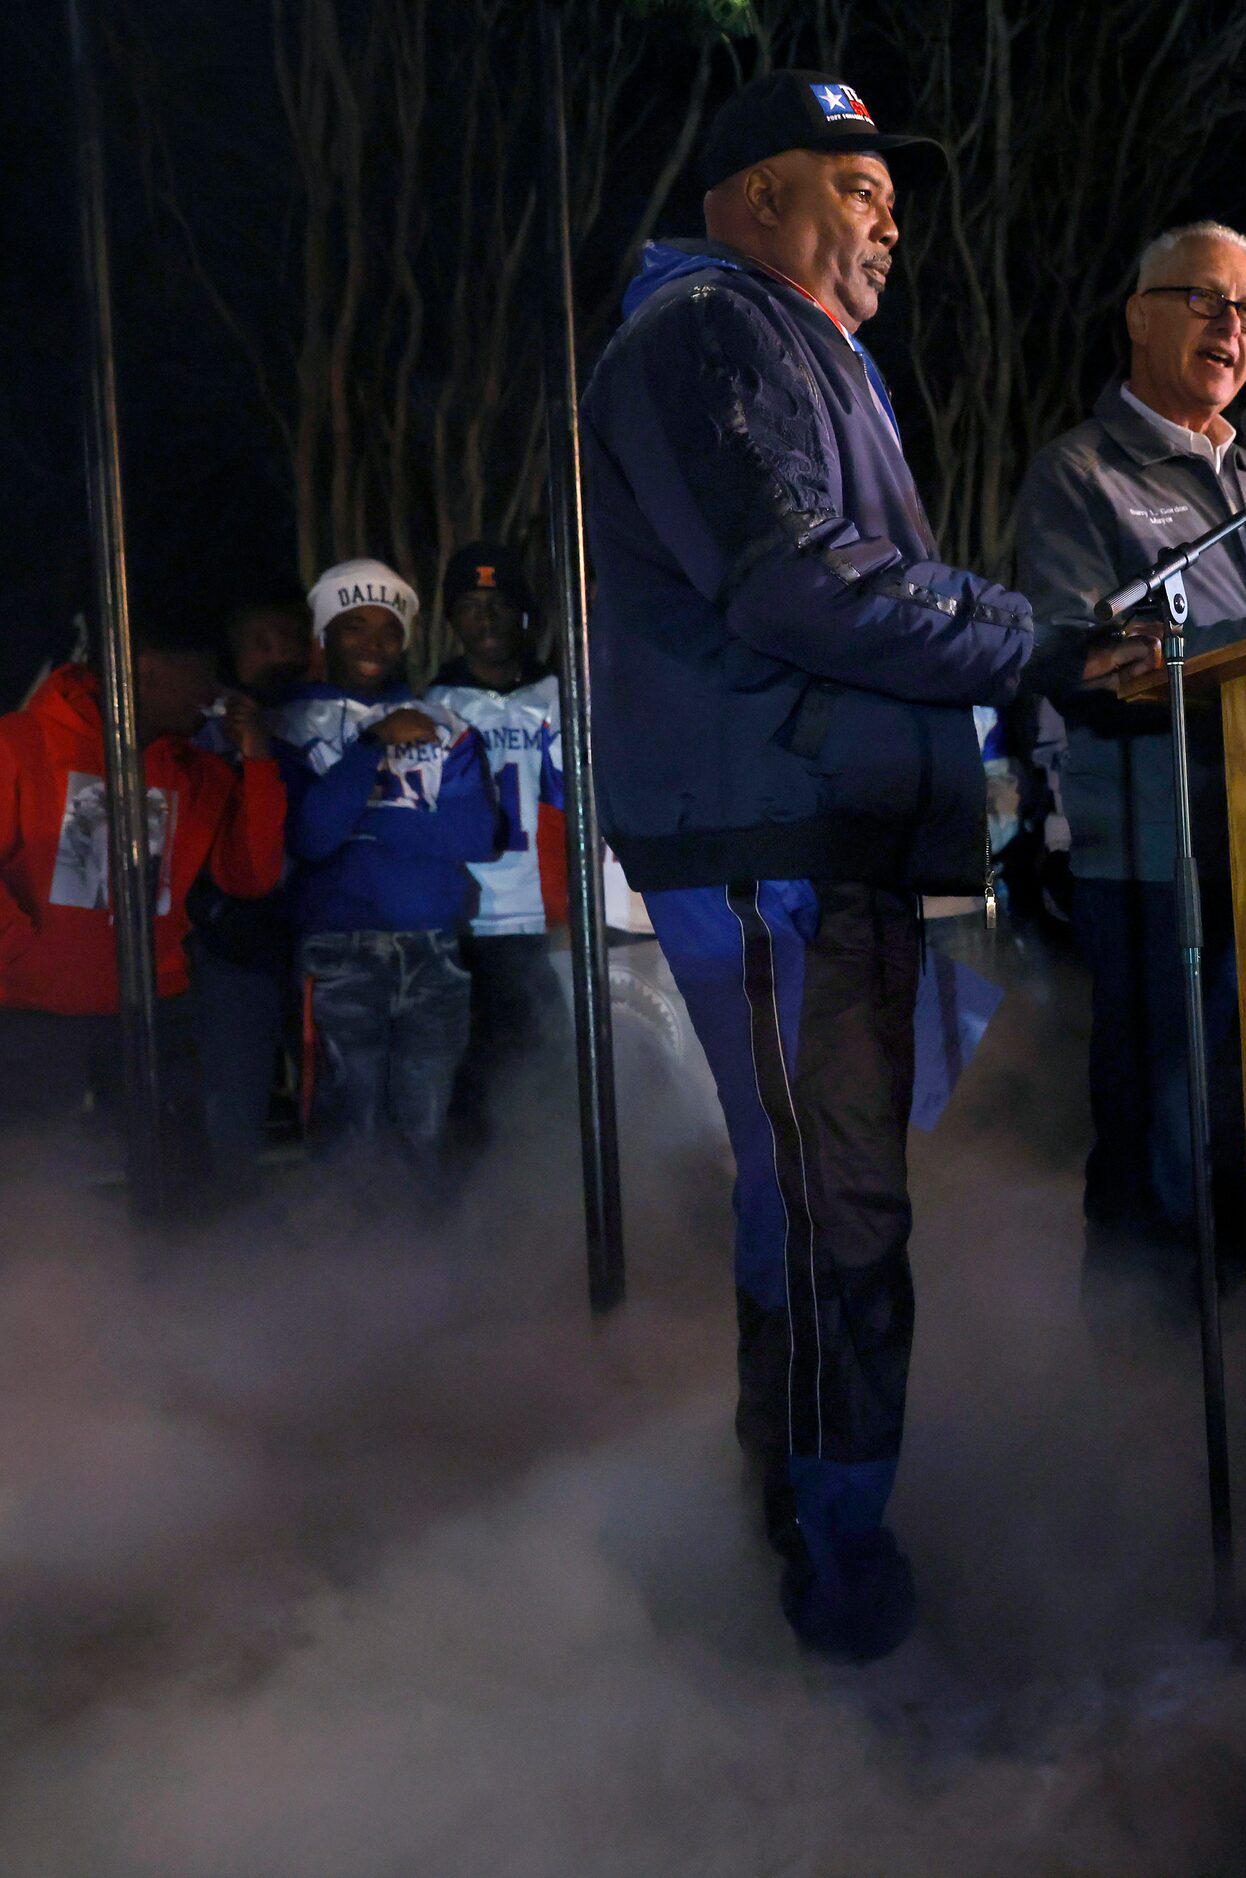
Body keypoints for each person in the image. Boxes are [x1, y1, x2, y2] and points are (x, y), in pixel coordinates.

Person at [581, 70, 1147, 1663]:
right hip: (773, 842)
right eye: (859, 189)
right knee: (840, 1213)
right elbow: (795, 582)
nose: (892, 219)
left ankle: (794, 1506)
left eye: (892, 200)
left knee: (813, 1197)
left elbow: (855, 579)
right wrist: (1043, 646)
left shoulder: (801, 352)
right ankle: (839, 1585)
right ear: (758, 197)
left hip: (820, 836)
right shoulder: (710, 336)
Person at [1012, 220, 1246, 1296]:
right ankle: (1130, 1415)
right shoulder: (1081, 475)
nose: (1231, 327)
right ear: (1140, 315)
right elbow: (1074, 654)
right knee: (1160, 1146)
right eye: (1206, 300)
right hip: (1155, 863)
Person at [0, 621, 282, 1175]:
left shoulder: (199, 773)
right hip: (35, 1014)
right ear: (146, 669)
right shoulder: (22, 741)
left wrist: (258, 762)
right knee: (35, 1186)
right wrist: (20, 951)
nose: (214, 693)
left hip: (155, 1009)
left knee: (173, 1180)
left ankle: (173, 1262)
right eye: (203, 673)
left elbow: (250, 876)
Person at [271, 559, 498, 1171]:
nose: (375, 643)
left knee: (427, 1130)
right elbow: (312, 838)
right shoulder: (289, 726)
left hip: (433, 948)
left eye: (389, 629)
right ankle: (349, 1264)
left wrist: (362, 821)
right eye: (354, 626)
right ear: (324, 635)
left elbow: (476, 834)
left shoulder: (445, 727)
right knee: (349, 1133)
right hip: (338, 952)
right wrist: (372, 747)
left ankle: (421, 1263)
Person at [425, 543, 568, 1141]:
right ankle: (475, 1225)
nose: (485, 620)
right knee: (474, 1090)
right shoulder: (432, 707)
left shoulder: (564, 696)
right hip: (470, 929)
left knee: (556, 1084)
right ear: (452, 620)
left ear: (526, 614)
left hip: (553, 927)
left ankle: (550, 1217)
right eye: (470, 606)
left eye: (499, 605)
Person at [188, 593, 312, 1164]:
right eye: (262, 644)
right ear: (233, 656)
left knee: (325, 1084)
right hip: (238, 936)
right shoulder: (207, 731)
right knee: (234, 1089)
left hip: (321, 927)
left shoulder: (331, 714)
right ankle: (230, 1226)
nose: (279, 652)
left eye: (289, 637)